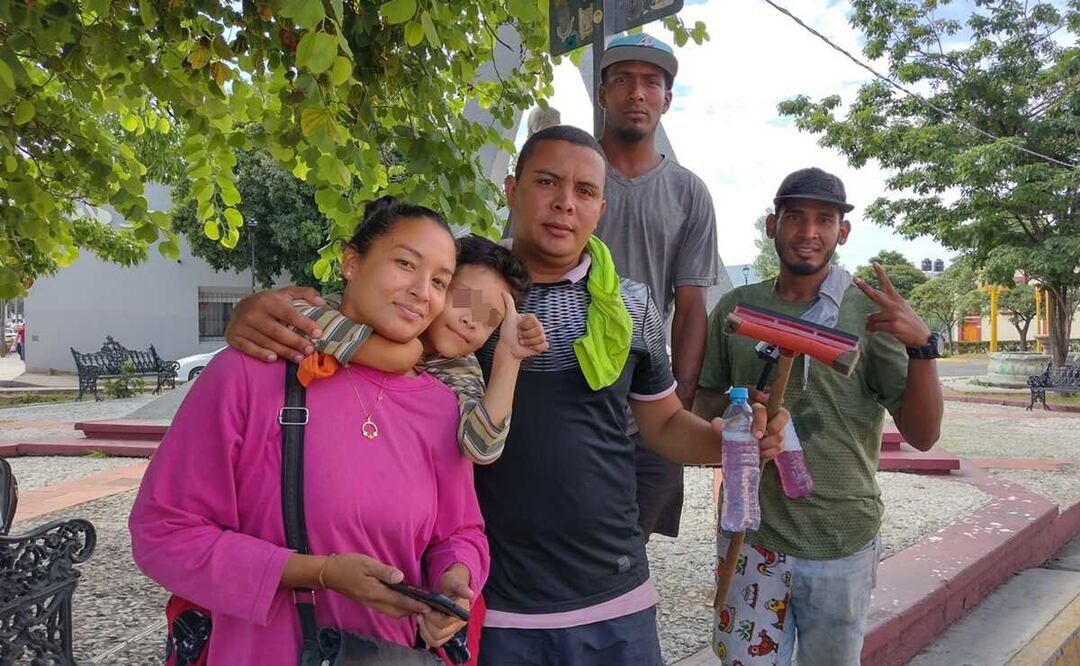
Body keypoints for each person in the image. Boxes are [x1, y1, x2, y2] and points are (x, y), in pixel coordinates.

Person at [227, 126, 790, 666]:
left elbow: (664, 424)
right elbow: (366, 321)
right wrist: (257, 314)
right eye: (547, 182)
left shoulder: (630, 306)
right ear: (512, 189)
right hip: (488, 596)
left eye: (585, 191)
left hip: (614, 588)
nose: (565, 203)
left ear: (601, 210)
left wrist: (726, 443)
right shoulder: (462, 286)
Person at [129, 200, 489, 664]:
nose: (423, 291)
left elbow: (461, 530)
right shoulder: (250, 374)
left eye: (440, 281)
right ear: (351, 262)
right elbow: (164, 533)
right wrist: (317, 573)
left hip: (392, 653)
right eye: (405, 263)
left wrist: (456, 580)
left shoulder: (441, 405)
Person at [694, 167, 944, 665]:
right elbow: (704, 406)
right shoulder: (737, 307)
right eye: (795, 217)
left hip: (841, 540)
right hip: (752, 536)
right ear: (772, 225)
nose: (808, 232)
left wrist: (922, 349)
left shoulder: (869, 317)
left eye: (824, 220)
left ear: (842, 232)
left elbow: (923, 435)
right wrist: (745, 416)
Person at [507, 34, 723, 539]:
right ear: (602, 93)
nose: (637, 93)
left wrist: (678, 400)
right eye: (622, 79)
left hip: (646, 393)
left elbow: (691, 307)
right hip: (556, 386)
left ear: (668, 99)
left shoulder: (688, 192)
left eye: (652, 82)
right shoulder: (562, 170)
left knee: (628, 544)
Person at [231, 232, 549, 466]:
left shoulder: (460, 367)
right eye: (465, 299)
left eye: (489, 320)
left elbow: (481, 448)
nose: (470, 321)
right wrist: (395, 355)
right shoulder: (369, 311)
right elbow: (294, 315)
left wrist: (509, 357)